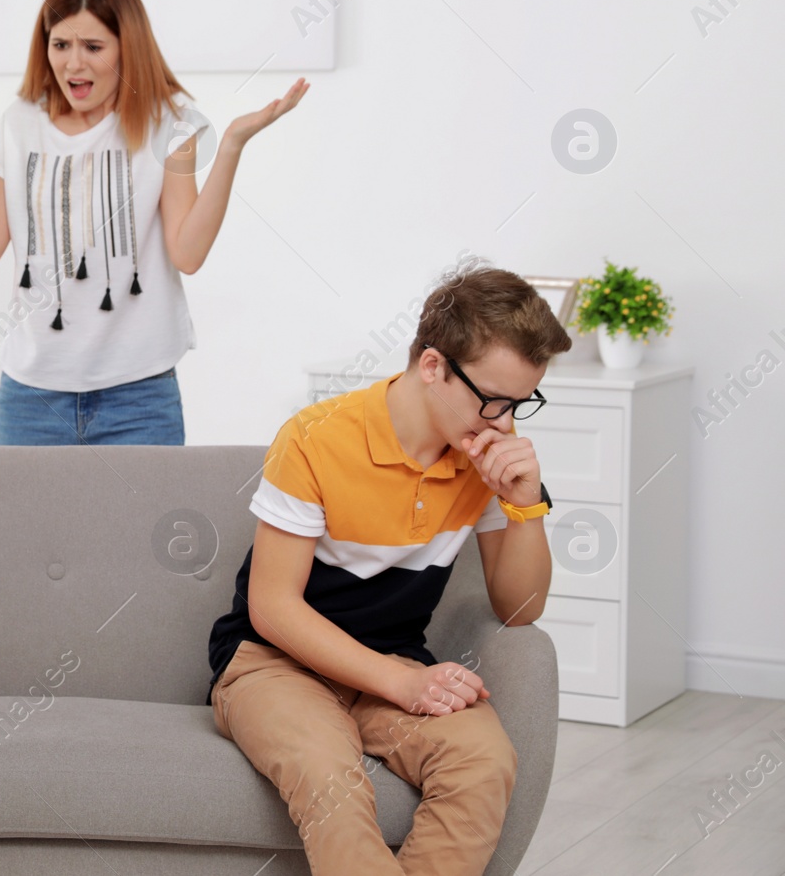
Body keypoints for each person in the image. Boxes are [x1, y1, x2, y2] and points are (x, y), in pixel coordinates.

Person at [205, 262, 570, 876]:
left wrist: (525, 503)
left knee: (483, 761)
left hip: (392, 664)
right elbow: (272, 607)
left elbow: (521, 608)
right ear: (433, 367)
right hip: (273, 664)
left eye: (520, 404)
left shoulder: (478, 459)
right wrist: (401, 684)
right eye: (492, 401)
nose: (504, 423)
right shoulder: (316, 438)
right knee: (331, 779)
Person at [0, 0, 308, 445]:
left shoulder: (166, 124)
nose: (74, 64)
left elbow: (188, 254)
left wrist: (232, 144)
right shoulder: (20, 123)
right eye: (60, 45)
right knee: (28, 524)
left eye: (93, 47)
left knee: (139, 523)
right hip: (32, 399)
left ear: (127, 47)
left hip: (139, 398)